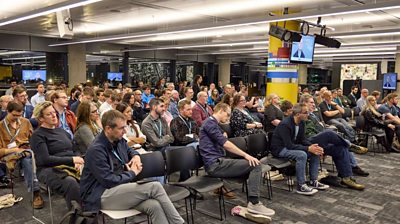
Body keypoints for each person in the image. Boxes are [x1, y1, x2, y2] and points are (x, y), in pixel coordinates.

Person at [80, 110, 184, 223]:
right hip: (100, 195)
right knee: (155, 187)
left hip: (118, 188)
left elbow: (130, 150)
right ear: (108, 129)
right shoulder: (97, 150)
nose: (124, 131)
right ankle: (179, 222)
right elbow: (108, 181)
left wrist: (136, 156)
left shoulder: (117, 140)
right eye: (121, 128)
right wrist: (132, 173)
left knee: (154, 206)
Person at [199, 102, 275, 217]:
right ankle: (254, 203)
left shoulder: (212, 123)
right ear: (221, 111)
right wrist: (246, 155)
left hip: (220, 161)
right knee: (255, 165)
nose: (228, 118)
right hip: (215, 165)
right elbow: (226, 144)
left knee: (253, 166)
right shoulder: (209, 123)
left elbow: (222, 134)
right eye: (227, 114)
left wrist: (223, 133)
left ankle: (252, 200)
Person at [301, 94, 369, 183]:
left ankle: (346, 177)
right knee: (330, 133)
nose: (314, 105)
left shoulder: (314, 115)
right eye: (311, 103)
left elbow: (323, 125)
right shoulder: (301, 115)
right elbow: (306, 133)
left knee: (340, 147)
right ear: (304, 103)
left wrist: (325, 128)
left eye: (314, 103)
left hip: (320, 139)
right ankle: (350, 145)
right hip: (308, 142)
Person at [30, 101, 84, 209]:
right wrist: (72, 160)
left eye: (54, 112)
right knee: (71, 183)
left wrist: (78, 161)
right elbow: (45, 160)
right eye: (49, 114)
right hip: (49, 169)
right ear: (41, 118)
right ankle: (79, 216)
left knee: (94, 175)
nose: (54, 115)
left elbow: (76, 149)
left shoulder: (62, 132)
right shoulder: (38, 135)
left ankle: (92, 210)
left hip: (70, 164)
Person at [270, 103, 328, 195]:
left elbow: (302, 140)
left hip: (291, 146)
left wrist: (313, 147)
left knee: (315, 152)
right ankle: (301, 185)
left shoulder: (301, 123)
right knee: (302, 155)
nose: (308, 114)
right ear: (297, 114)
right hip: (280, 149)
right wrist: (308, 148)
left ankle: (313, 181)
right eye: (305, 113)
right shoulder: (285, 124)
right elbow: (289, 145)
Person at [0, 102, 43, 208]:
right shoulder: (1, 126)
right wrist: (15, 149)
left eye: (19, 115)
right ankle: (36, 192)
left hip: (26, 151)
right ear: (7, 112)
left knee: (27, 157)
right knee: (27, 158)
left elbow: (33, 139)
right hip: (10, 154)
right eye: (14, 115)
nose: (17, 118)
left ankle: (36, 189)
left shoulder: (25, 122)